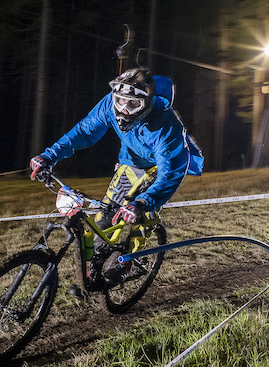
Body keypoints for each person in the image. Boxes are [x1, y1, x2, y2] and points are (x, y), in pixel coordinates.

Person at [29, 67, 203, 256]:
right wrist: (49, 156)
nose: (124, 109)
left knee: (141, 212)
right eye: (120, 101)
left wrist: (143, 202)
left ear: (147, 103)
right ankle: (97, 261)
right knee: (107, 211)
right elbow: (84, 131)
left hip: (161, 167)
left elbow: (169, 173)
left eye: (133, 104)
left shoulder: (165, 124)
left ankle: (132, 259)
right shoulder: (109, 104)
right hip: (131, 161)